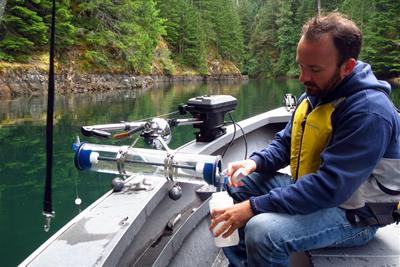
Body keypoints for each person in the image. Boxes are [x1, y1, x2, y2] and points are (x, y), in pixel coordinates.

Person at [209, 12, 400, 267]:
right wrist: (254, 163)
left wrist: (253, 207)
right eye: (301, 66)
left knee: (263, 232)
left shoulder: (369, 112)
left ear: (348, 66)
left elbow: (329, 187)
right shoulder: (318, 92)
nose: (303, 78)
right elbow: (286, 143)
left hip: (357, 214)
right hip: (317, 191)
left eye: (314, 69)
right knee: (236, 182)